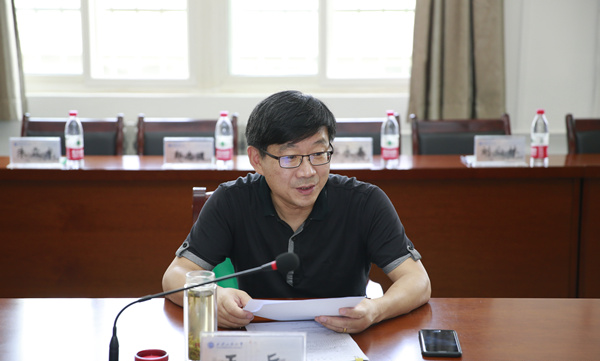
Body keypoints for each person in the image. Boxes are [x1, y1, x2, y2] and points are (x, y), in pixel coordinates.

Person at [162, 90, 431, 334]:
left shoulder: (364, 202)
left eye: (318, 153)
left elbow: (417, 280)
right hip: (257, 338)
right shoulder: (232, 201)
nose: (308, 172)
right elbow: (176, 274)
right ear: (257, 160)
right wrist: (213, 296)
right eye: (290, 157)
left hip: (345, 339)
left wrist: (376, 309)